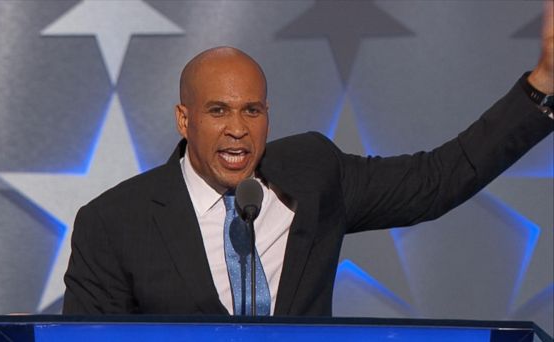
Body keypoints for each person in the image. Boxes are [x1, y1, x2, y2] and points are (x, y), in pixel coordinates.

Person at [62, 4, 553, 316]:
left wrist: (544, 85)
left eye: (251, 110)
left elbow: (438, 179)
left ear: (268, 116)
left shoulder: (314, 175)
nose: (237, 128)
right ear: (183, 120)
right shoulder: (115, 223)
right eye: (218, 111)